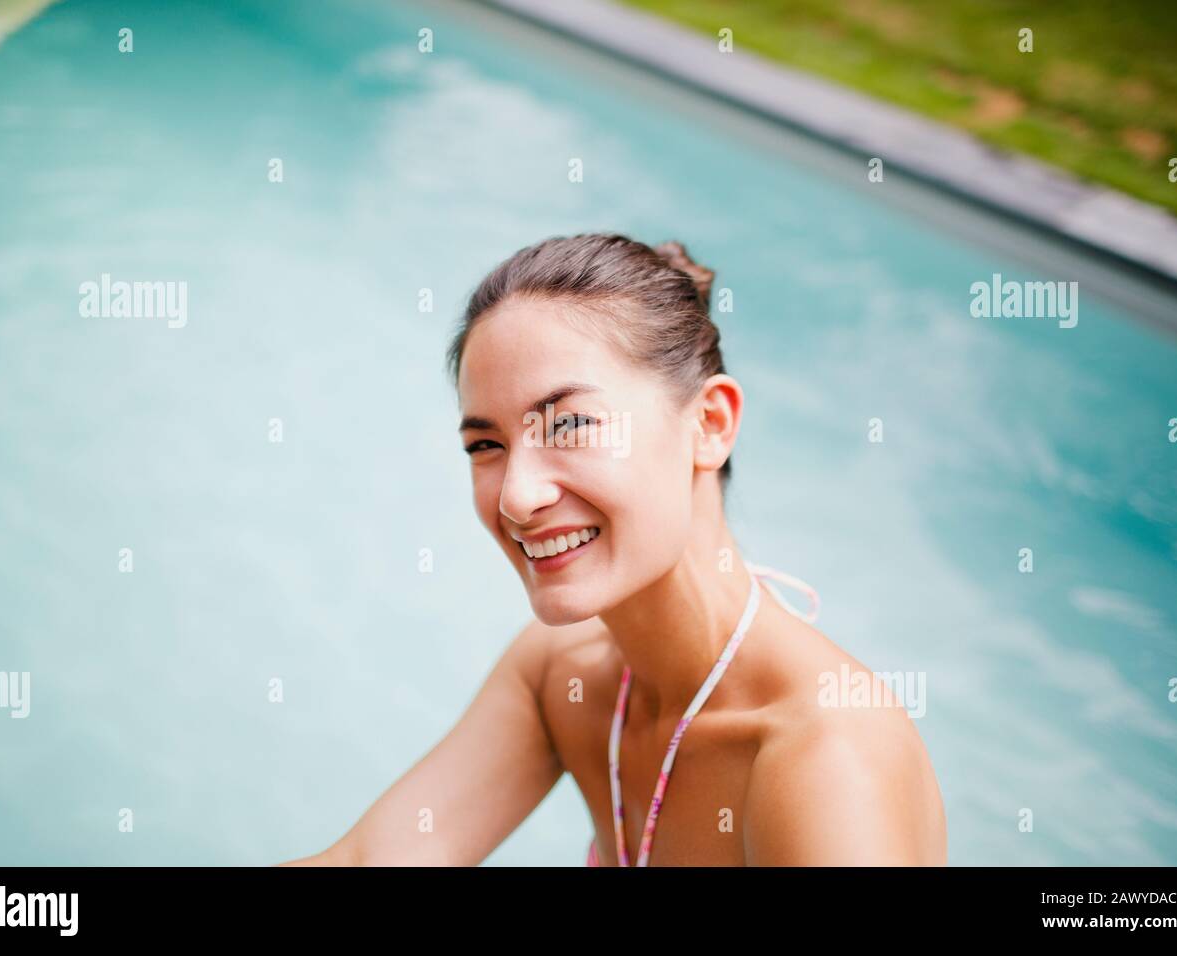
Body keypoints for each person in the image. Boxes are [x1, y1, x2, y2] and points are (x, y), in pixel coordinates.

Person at [280, 233, 946, 866]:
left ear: (709, 426)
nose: (517, 495)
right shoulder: (564, 677)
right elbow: (370, 858)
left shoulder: (824, 753)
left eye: (568, 424)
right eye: (486, 445)